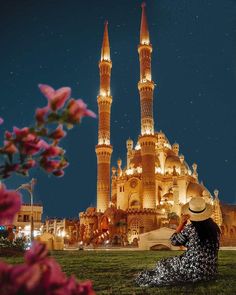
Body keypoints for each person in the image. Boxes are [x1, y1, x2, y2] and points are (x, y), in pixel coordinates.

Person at [135, 197, 221, 287]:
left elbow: (174, 241)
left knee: (163, 264)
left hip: (192, 268)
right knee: (171, 264)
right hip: (210, 272)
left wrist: (182, 223)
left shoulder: (191, 228)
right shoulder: (215, 229)